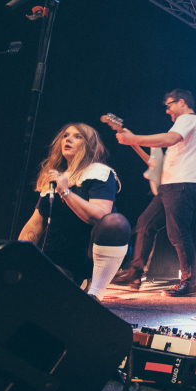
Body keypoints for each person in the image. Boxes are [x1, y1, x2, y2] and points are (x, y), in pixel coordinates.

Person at [112, 89, 196, 297]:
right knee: (145, 223)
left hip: (183, 183)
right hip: (173, 183)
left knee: (177, 231)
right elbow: (165, 153)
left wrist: (134, 138)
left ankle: (189, 282)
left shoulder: (189, 119)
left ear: (181, 102)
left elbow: (169, 138)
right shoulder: (192, 126)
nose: (167, 111)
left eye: (169, 105)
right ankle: (134, 273)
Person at [18, 123, 131, 301]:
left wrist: (65, 192)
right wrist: (19, 255)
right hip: (57, 257)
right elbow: (35, 223)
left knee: (116, 222)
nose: (68, 139)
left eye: (78, 136)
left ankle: (95, 293)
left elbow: (101, 216)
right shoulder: (56, 176)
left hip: (85, 257)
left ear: (89, 145)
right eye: (66, 135)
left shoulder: (99, 172)